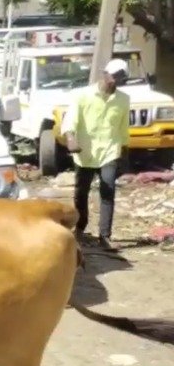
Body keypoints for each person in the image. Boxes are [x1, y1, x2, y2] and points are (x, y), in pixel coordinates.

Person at [63, 57, 132, 247]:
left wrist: (124, 150)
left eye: (120, 77)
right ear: (105, 73)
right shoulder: (82, 95)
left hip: (109, 150)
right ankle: (80, 227)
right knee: (81, 192)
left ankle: (105, 236)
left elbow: (123, 126)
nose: (115, 80)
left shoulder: (123, 99)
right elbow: (70, 120)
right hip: (85, 151)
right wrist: (71, 139)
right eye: (114, 75)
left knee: (107, 191)